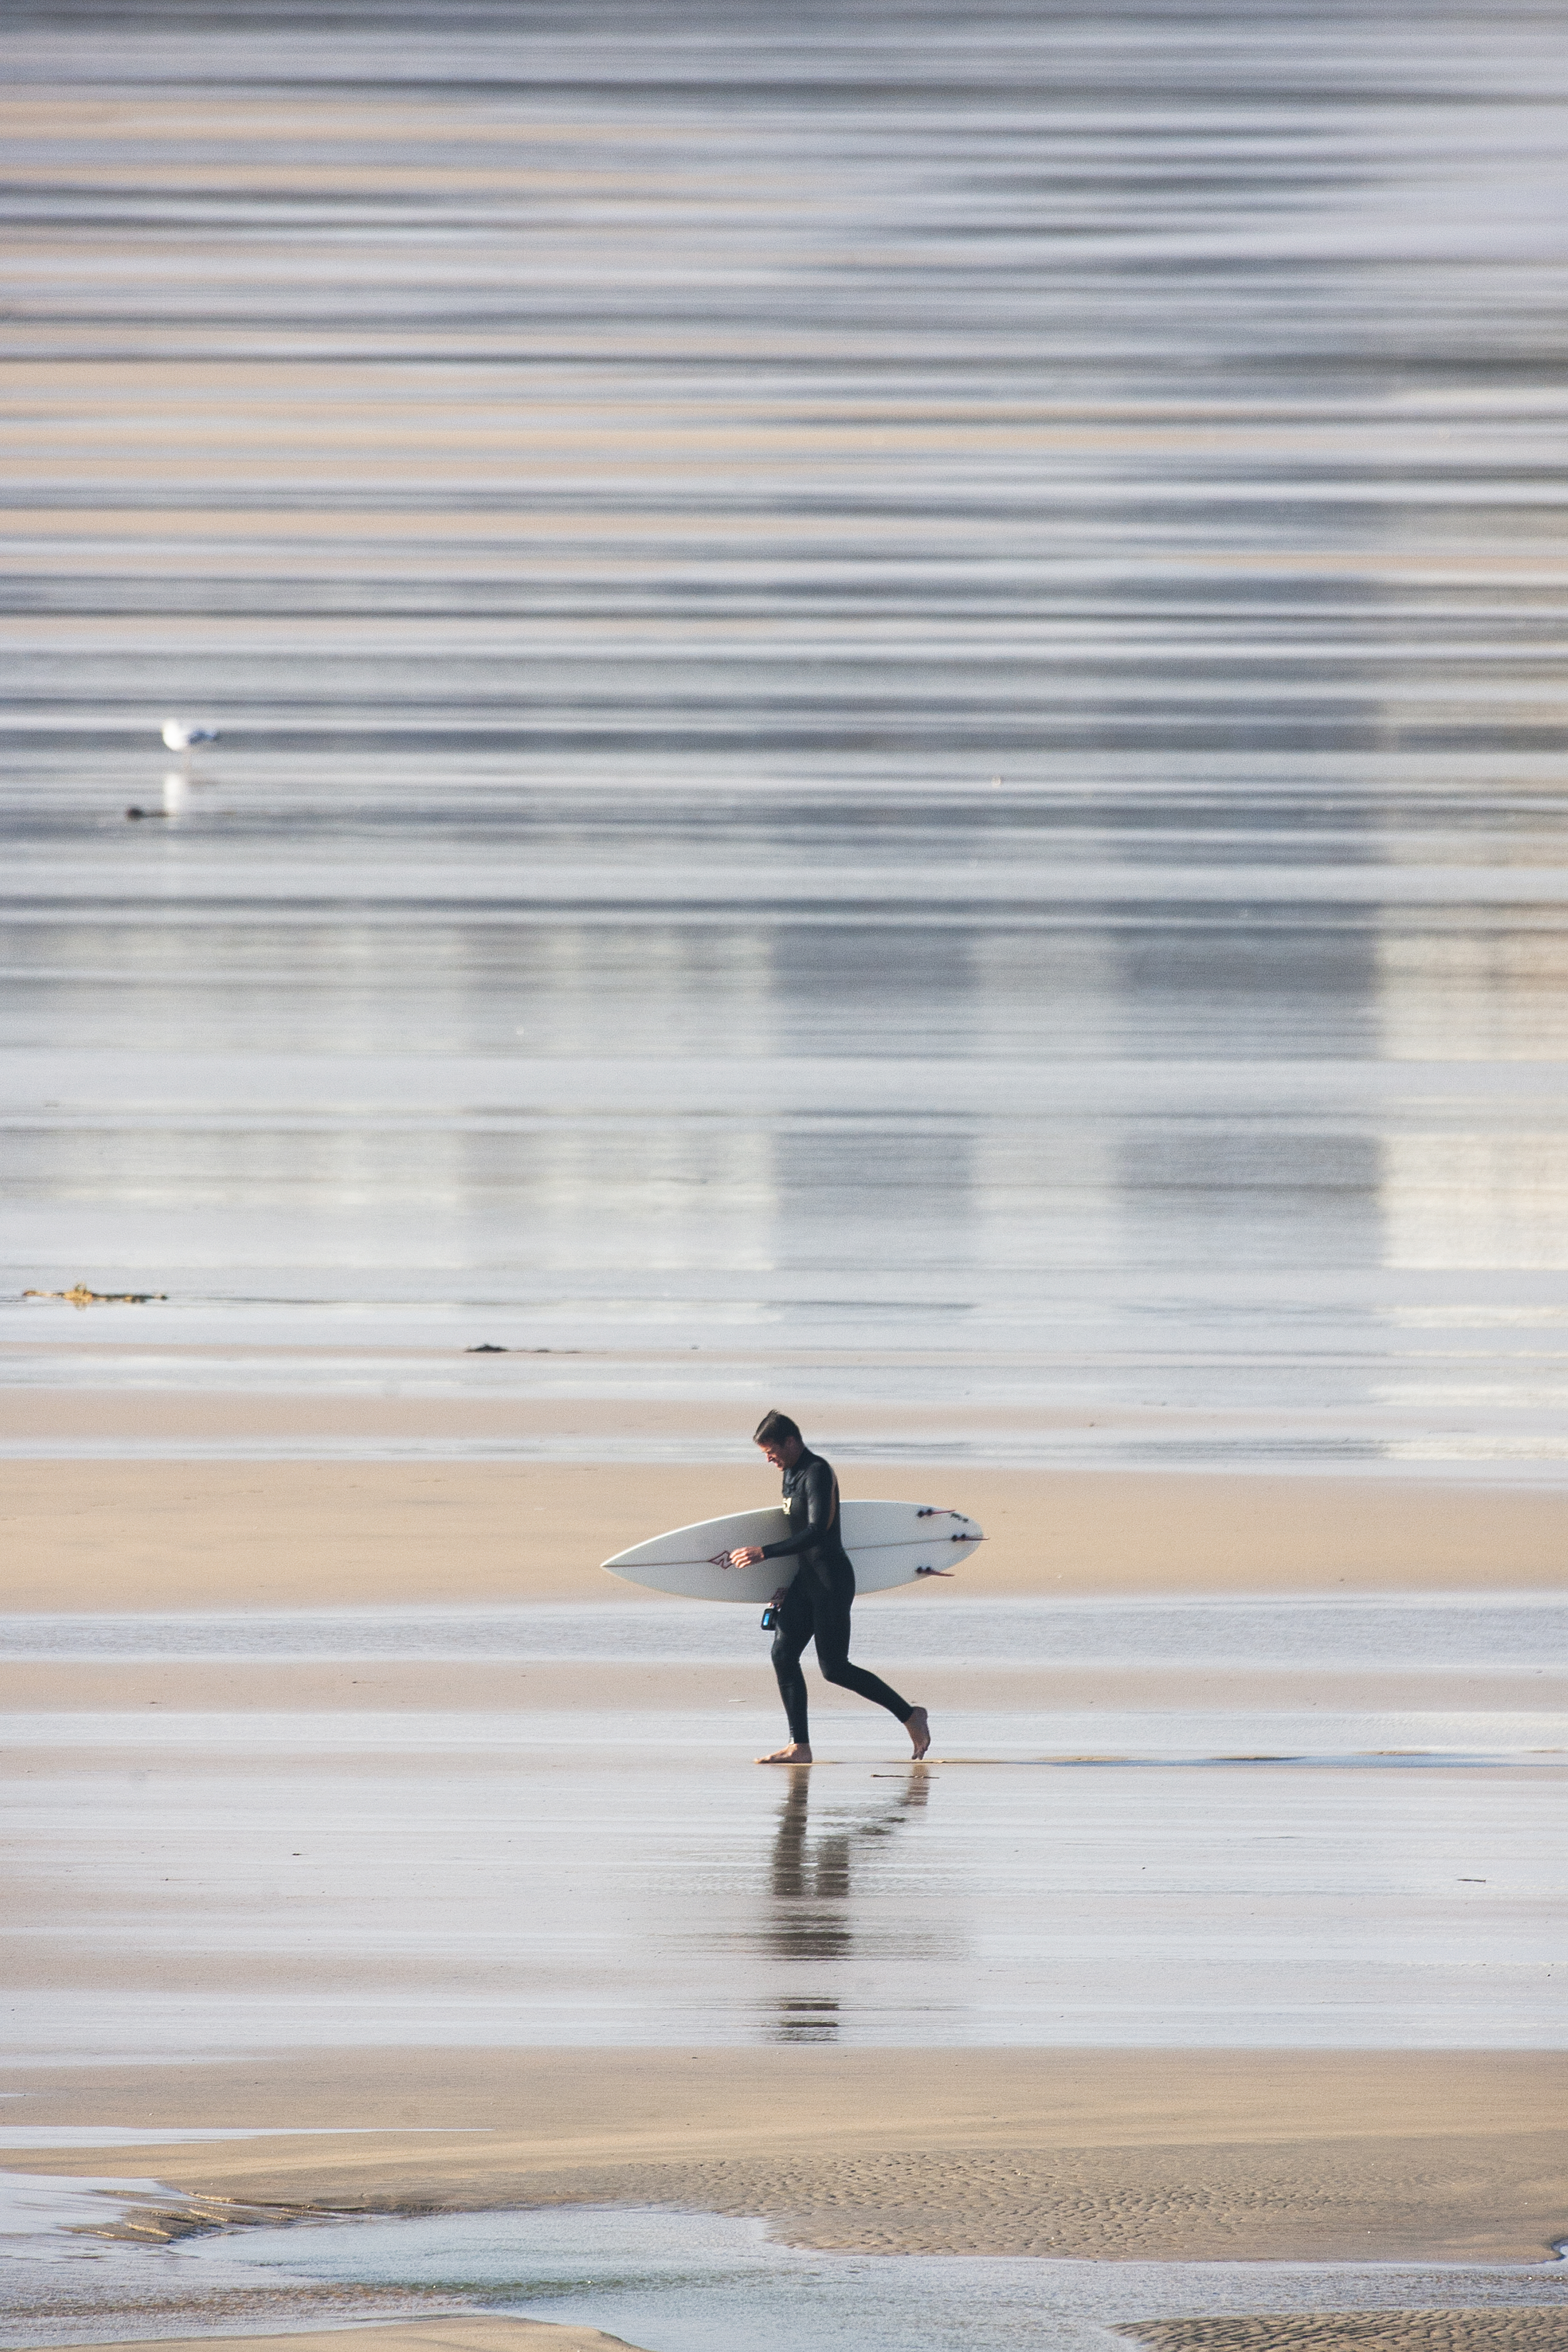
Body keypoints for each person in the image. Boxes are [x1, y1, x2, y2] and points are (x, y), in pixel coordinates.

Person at [728, 1410, 931, 1765]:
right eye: (764, 1453)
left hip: (831, 1580)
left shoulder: (818, 1472)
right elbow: (794, 1533)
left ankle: (911, 1715)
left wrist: (765, 1554)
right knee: (782, 1655)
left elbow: (817, 1530)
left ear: (791, 1441)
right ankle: (799, 1746)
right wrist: (783, 1584)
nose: (768, 1459)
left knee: (834, 1668)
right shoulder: (790, 1473)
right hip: (805, 1580)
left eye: (771, 1451)